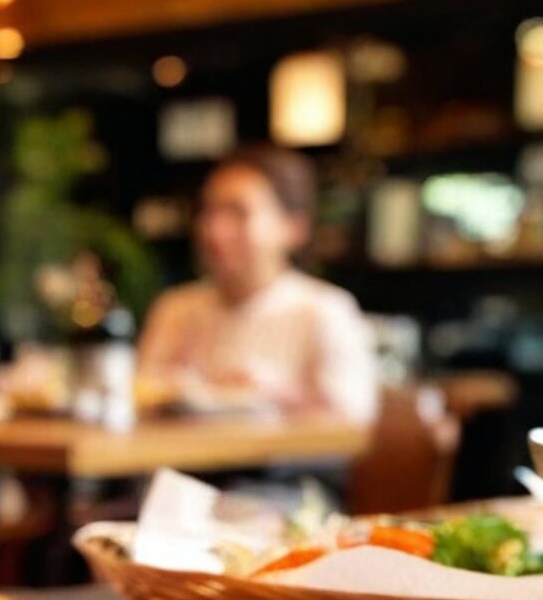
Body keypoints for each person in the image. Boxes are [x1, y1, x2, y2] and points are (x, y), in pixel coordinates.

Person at [139, 145, 379, 424]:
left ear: (294, 228)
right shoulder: (177, 308)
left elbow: (353, 421)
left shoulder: (325, 310)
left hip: (291, 468)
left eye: (238, 212)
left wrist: (270, 395)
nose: (215, 230)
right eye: (209, 211)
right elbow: (140, 400)